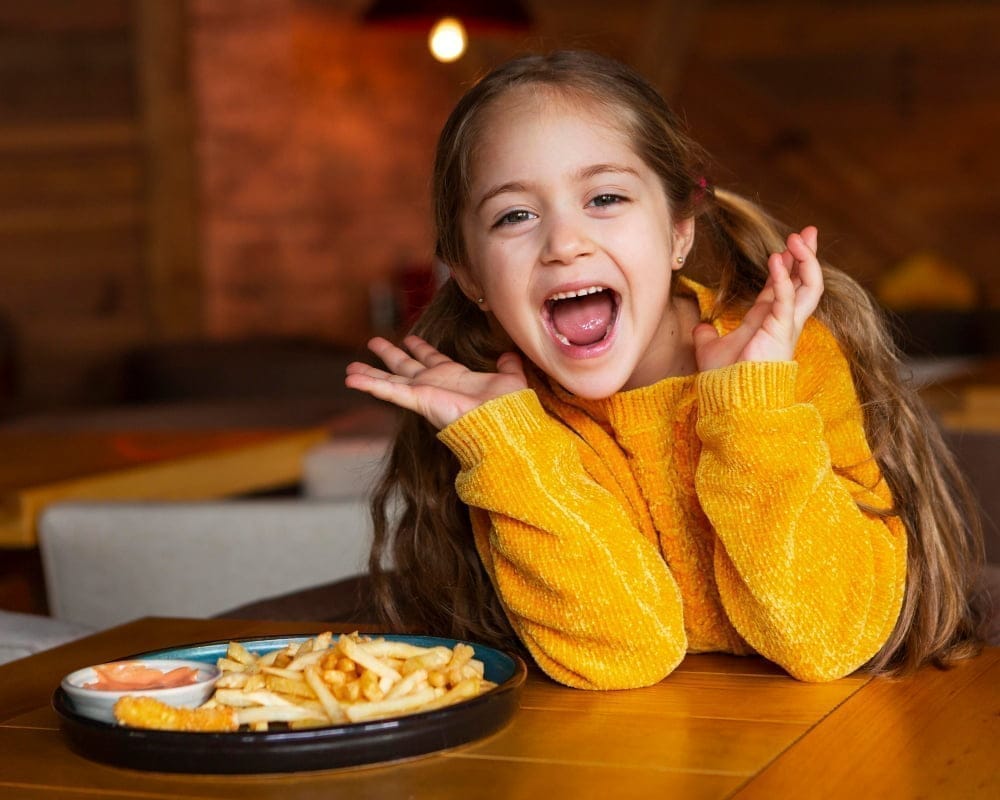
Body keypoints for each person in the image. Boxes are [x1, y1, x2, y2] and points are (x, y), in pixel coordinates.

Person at [345, 50, 987, 689]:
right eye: (515, 215)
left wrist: (751, 408)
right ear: (472, 278)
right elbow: (623, 655)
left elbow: (830, 640)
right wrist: (511, 450)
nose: (565, 243)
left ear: (679, 234)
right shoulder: (507, 427)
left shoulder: (787, 357)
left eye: (604, 197)